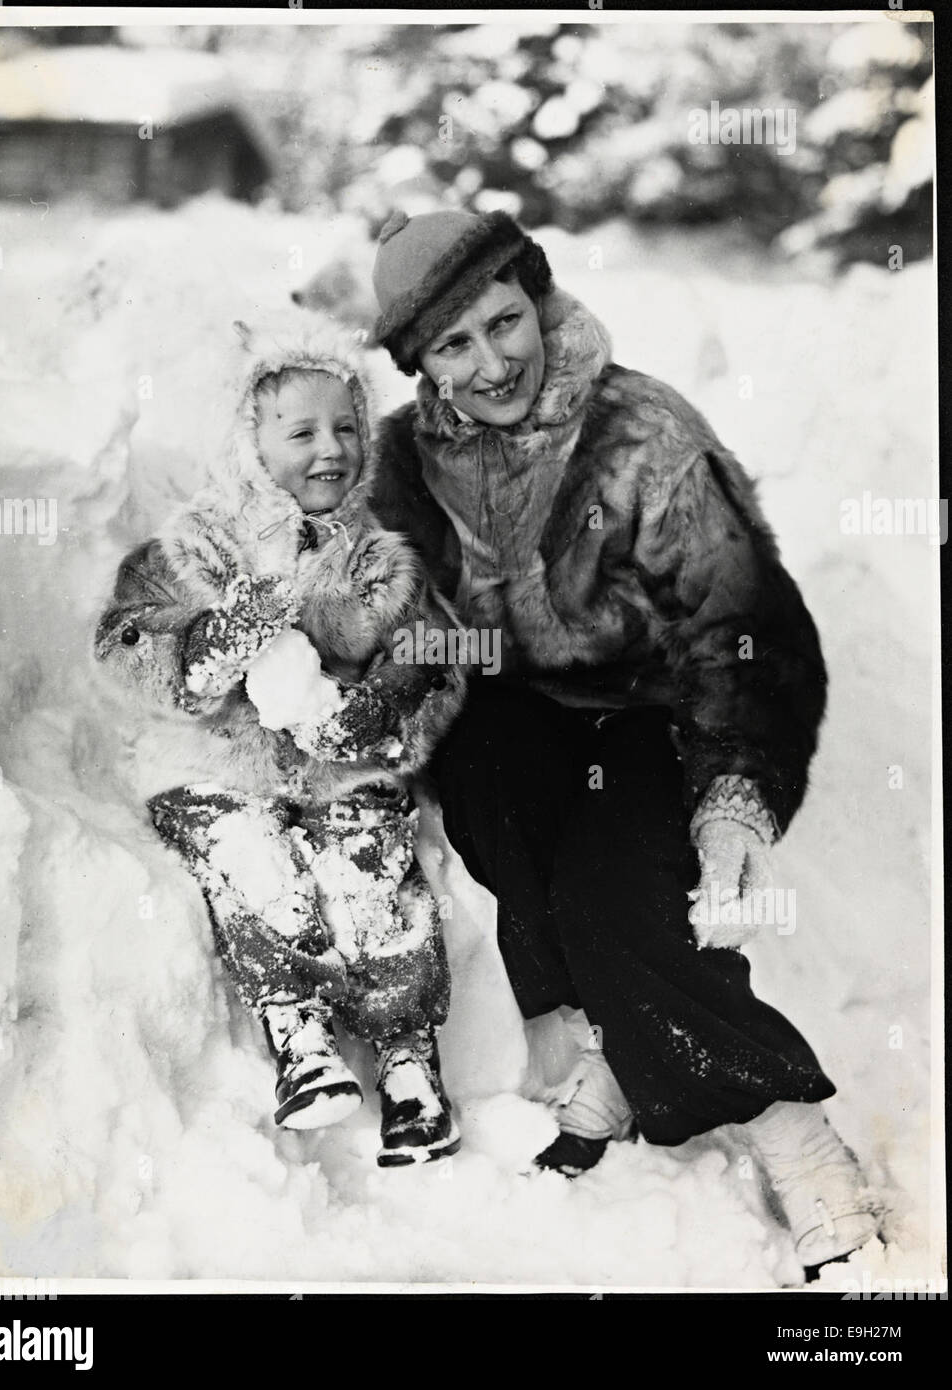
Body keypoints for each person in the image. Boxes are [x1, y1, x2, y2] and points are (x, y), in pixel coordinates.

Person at [367, 207, 882, 1270]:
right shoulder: (406, 461)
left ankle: (792, 1125)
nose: (489, 360)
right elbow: (369, 592)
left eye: (503, 321)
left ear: (538, 301)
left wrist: (733, 786)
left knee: (615, 892)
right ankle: (604, 1044)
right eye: (452, 344)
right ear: (422, 363)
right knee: (494, 809)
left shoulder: (641, 434)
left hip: (656, 714)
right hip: (518, 709)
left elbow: (743, 625)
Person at [93, 313, 465, 1166]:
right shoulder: (192, 547)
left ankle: (409, 1055)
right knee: (248, 856)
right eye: (300, 431)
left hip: (341, 771)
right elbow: (127, 638)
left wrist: (378, 710)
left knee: (371, 866)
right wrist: (214, 641)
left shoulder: (380, 560)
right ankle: (299, 1033)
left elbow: (435, 658)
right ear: (247, 441)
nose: (328, 449)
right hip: (218, 768)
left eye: (346, 428)